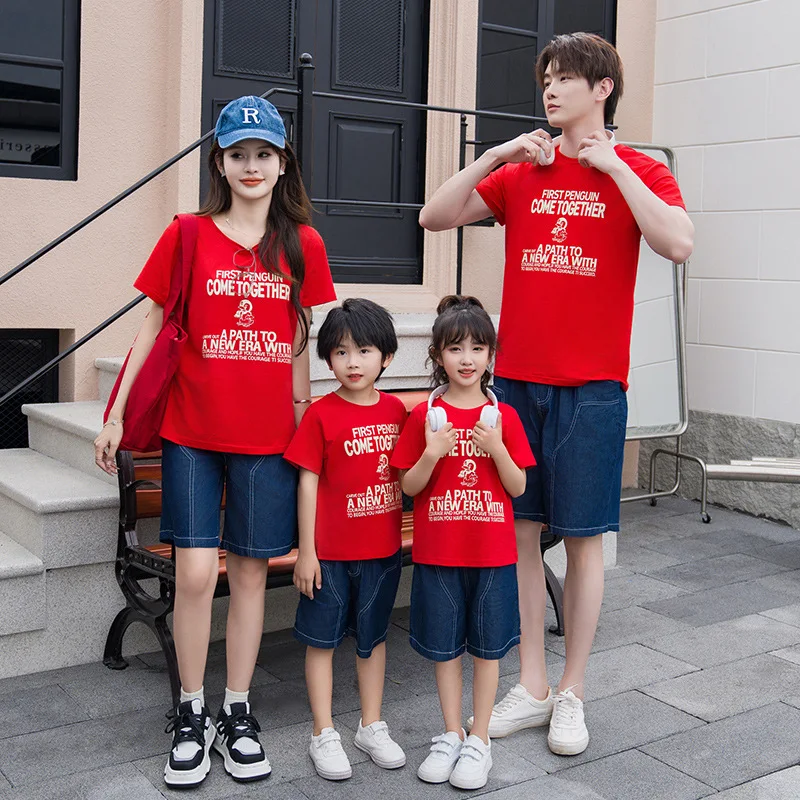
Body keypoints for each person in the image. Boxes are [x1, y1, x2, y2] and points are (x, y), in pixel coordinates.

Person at [418, 33, 694, 756]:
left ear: (602, 88)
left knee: (585, 542)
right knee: (520, 535)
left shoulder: (637, 170)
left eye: (566, 79)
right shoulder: (523, 175)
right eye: (546, 78)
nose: (550, 90)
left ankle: (573, 690)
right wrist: (496, 157)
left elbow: (679, 242)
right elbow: (435, 216)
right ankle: (532, 684)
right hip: (517, 388)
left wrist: (614, 168)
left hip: (595, 391)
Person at [93, 95, 336, 787]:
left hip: (266, 439)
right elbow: (149, 327)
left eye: (264, 154)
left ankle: (238, 711)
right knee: (198, 574)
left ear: (282, 162)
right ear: (220, 164)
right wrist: (114, 414)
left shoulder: (302, 243)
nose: (251, 166)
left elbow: (297, 340)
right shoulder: (187, 234)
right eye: (238, 155)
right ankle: (192, 712)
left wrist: (301, 417)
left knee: (253, 574)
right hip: (192, 432)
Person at [391, 296, 535, 790]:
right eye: (455, 349)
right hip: (439, 554)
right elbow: (409, 488)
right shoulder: (424, 418)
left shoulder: (505, 418)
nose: (467, 358)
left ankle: (481, 739)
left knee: (488, 649)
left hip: (493, 555)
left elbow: (517, 487)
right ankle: (451, 733)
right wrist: (432, 453)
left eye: (478, 347)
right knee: (445, 648)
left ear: (492, 356)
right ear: (437, 356)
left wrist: (495, 449)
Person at [283, 298, 408, 780]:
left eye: (364, 351)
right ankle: (323, 732)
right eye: (340, 352)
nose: (352, 362)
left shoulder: (398, 411)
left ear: (387, 357)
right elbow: (307, 481)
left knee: (373, 641)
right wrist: (307, 552)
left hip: (381, 552)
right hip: (330, 556)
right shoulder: (321, 415)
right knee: (322, 642)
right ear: (327, 358)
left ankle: (370, 725)